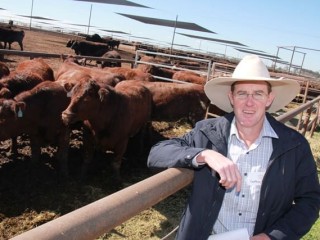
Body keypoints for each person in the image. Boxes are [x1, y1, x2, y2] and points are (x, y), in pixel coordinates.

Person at [147, 55, 320, 240]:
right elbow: (157, 153)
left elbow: (310, 201)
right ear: (231, 97)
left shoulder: (294, 145)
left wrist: (272, 236)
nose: (249, 102)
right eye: (242, 93)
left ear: (269, 99)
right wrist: (205, 154)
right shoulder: (207, 132)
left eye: (258, 94)